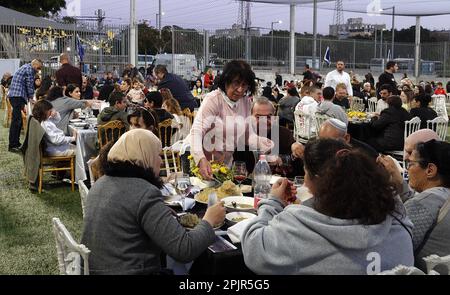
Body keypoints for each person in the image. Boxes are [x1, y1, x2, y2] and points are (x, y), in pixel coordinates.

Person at [241, 138, 414, 275]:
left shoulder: (301, 225)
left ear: (316, 179)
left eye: (305, 173)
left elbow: (254, 248)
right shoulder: (397, 220)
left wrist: (273, 202)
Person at [80, 129, 225, 274]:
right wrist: (209, 220)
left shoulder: (101, 182)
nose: (161, 161)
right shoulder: (144, 192)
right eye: (158, 155)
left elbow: (126, 218)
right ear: (144, 155)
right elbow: (184, 250)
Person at [188, 60, 274, 180]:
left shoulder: (246, 102)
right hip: (203, 162)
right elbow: (196, 131)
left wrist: (261, 142)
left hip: (226, 165)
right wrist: (200, 159)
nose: (239, 89)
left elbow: (247, 135)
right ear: (226, 81)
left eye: (244, 85)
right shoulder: (213, 99)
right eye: (236, 83)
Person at [378, 140, 450, 273]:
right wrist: (400, 184)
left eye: (410, 164)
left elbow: (394, 245)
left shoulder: (426, 201)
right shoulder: (441, 195)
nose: (406, 169)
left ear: (430, 170)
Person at [233, 97, 304, 176]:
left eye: (269, 117)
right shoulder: (244, 136)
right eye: (258, 117)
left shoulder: (284, 134)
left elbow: (296, 166)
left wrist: (296, 151)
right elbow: (237, 167)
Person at [8, 59, 42, 152]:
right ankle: (12, 145)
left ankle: (16, 143)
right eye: (38, 68)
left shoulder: (26, 67)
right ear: (34, 64)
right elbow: (30, 85)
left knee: (17, 121)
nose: (38, 70)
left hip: (16, 96)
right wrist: (31, 98)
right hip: (17, 96)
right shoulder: (29, 69)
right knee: (16, 121)